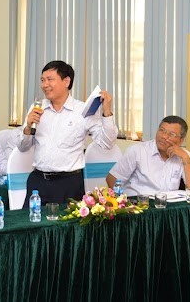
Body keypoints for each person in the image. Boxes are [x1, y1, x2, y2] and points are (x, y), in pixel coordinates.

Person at [18, 60, 117, 206]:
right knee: (31, 220)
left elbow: (107, 143)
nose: (45, 85)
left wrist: (107, 111)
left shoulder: (82, 110)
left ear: (66, 81)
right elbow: (22, 147)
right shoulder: (37, 108)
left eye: (50, 79)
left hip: (69, 184)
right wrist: (27, 127)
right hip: (38, 181)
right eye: (42, 80)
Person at [106, 116, 190, 196]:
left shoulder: (184, 155)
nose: (164, 136)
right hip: (140, 206)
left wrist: (186, 159)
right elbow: (112, 179)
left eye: (171, 134)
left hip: (167, 207)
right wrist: (123, 202)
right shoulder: (137, 151)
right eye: (162, 130)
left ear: (181, 140)